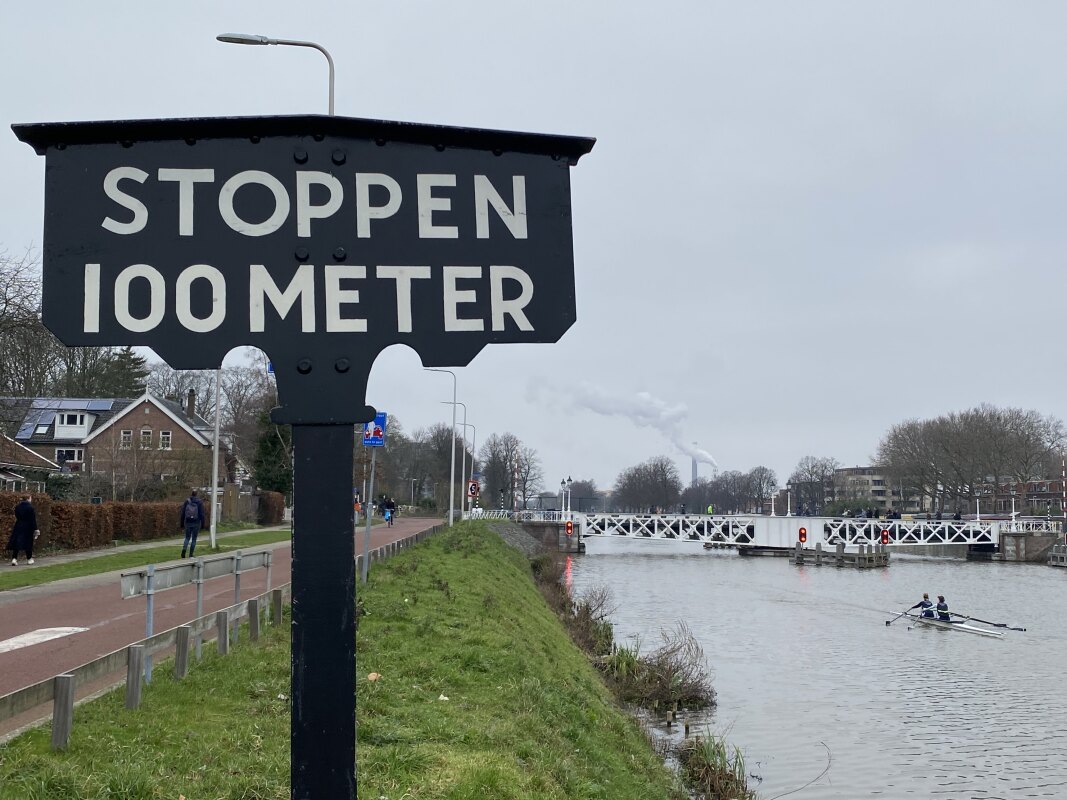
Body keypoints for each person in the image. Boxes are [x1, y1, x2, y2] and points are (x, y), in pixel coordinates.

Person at [8, 494, 40, 566]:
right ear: (28, 498)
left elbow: (17, 515)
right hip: (28, 526)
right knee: (28, 542)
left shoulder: (17, 507)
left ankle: (14, 558)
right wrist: (36, 529)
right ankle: (29, 558)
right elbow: (33, 519)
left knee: (17, 542)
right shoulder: (30, 508)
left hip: (18, 525)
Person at [178, 489, 206, 559]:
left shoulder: (187, 501)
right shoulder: (199, 502)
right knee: (194, 539)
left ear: (191, 494)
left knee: (187, 538)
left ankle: (184, 551)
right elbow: (202, 514)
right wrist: (203, 524)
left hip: (188, 522)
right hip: (196, 523)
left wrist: (181, 524)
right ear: (196, 494)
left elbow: (183, 513)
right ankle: (190, 554)